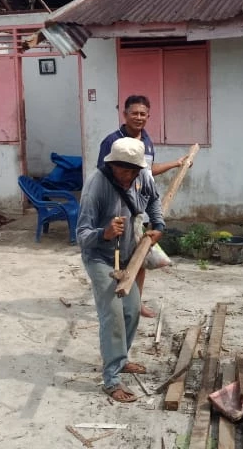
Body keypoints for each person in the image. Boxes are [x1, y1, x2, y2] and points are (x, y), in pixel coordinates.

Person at [77, 137, 165, 403]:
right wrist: (103, 233)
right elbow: (81, 234)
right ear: (112, 164)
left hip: (127, 255)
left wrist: (158, 225)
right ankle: (112, 379)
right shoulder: (96, 186)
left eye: (132, 170)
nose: (127, 175)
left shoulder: (143, 177)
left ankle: (121, 358)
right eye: (121, 169)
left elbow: (154, 200)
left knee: (132, 310)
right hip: (100, 257)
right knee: (112, 315)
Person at [96, 94, 189, 318]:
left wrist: (176, 164)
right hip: (119, 209)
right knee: (117, 258)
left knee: (140, 258)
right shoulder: (112, 142)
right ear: (125, 114)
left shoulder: (146, 140)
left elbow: (148, 170)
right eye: (134, 113)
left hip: (141, 209)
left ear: (148, 116)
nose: (138, 117)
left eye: (143, 114)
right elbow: (103, 175)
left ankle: (136, 305)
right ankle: (114, 306)